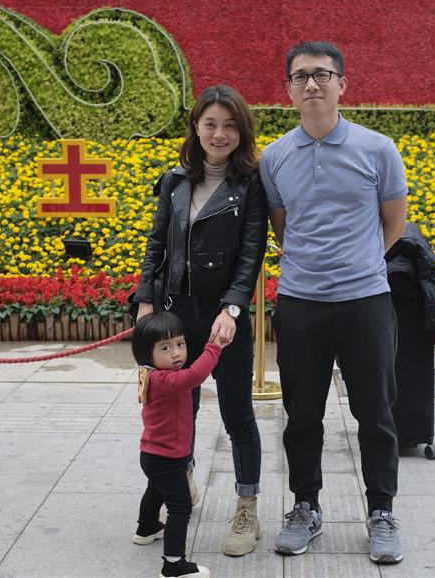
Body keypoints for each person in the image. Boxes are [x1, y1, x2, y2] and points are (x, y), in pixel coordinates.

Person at [259, 41, 408, 564]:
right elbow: (284, 229)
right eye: (300, 76)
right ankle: (305, 506)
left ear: (343, 84)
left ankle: (381, 511)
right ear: (288, 90)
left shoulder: (378, 149)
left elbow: (394, 223)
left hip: (366, 301)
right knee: (302, 415)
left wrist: (359, 263)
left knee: (376, 413)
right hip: (301, 304)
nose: (312, 84)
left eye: (322, 75)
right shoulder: (274, 157)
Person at [133, 84, 267, 556]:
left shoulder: (250, 184)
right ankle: (181, 480)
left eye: (229, 125)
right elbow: (156, 245)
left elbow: (251, 254)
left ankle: (247, 508)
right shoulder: (175, 181)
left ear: (242, 131)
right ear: (196, 127)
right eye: (210, 123)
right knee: (179, 409)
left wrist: (233, 308)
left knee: (237, 415)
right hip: (176, 316)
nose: (219, 134)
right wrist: (145, 302)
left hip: (224, 317)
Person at [131, 311, 221, 578]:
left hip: (153, 454)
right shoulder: (164, 380)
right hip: (167, 458)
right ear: (147, 354)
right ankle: (173, 565)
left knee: (156, 490)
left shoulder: (149, 373)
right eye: (165, 348)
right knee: (180, 507)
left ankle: (146, 528)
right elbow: (194, 377)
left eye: (180, 344)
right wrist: (213, 348)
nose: (176, 353)